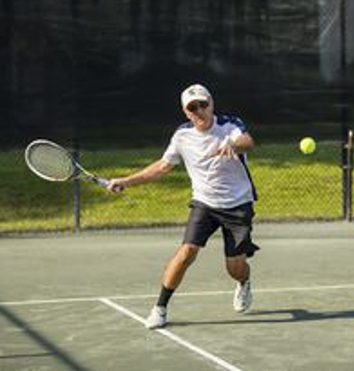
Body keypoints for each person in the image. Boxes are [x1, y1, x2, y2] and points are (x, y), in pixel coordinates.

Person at [107, 83, 259, 329]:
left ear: (211, 104)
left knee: (235, 267)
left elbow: (247, 141)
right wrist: (126, 181)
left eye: (203, 104)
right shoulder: (182, 136)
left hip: (237, 205)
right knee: (186, 251)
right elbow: (162, 167)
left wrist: (233, 145)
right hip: (204, 204)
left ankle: (244, 282)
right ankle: (160, 307)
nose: (199, 111)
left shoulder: (229, 126)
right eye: (193, 107)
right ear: (185, 111)